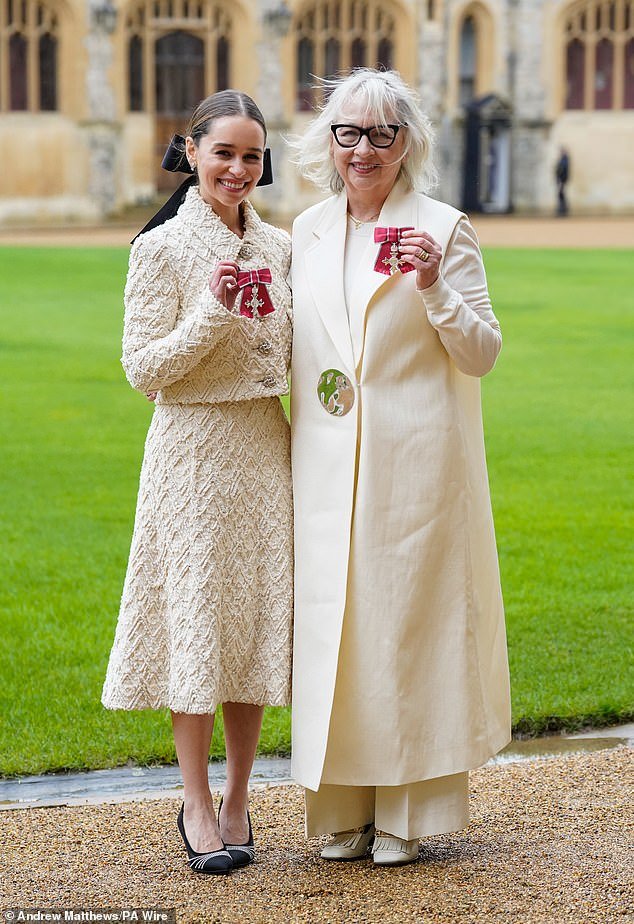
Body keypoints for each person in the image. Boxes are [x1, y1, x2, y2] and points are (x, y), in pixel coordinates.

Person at [289, 68, 511, 868]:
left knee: (404, 635)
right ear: (329, 141)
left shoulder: (444, 229)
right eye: (350, 132)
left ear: (407, 142)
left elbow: (482, 355)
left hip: (415, 461)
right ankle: (340, 812)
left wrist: (433, 286)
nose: (365, 149)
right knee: (336, 635)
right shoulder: (307, 230)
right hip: (323, 460)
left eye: (383, 133)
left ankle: (407, 817)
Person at [102, 90, 293, 875]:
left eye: (252, 156)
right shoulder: (159, 250)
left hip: (265, 446)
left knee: (249, 627)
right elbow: (143, 371)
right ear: (191, 152)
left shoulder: (280, 248)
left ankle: (243, 794)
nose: (238, 169)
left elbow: (294, 353)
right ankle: (196, 801)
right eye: (224, 153)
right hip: (189, 456)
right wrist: (214, 310)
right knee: (196, 625)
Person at [555, 147, 570, 216]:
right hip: (561, 180)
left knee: (561, 194)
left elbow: (562, 171)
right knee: (561, 194)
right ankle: (562, 209)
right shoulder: (564, 159)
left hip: (562, 180)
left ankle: (562, 210)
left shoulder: (564, 160)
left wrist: (561, 180)